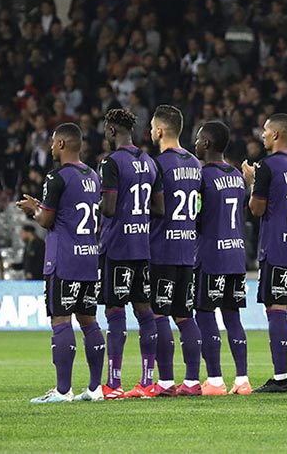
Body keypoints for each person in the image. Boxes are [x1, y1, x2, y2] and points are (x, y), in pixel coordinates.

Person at [16, 122, 106, 403]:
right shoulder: (93, 176)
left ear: (63, 145)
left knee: (61, 321)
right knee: (90, 322)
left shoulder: (56, 177)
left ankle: (63, 391)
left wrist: (34, 210)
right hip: (90, 260)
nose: (51, 147)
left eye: (54, 142)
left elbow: (47, 219)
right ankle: (94, 388)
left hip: (64, 259)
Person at [242, 113, 287, 393]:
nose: (262, 135)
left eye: (265, 131)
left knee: (275, 308)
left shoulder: (268, 166)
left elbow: (257, 209)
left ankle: (281, 377)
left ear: (275, 135)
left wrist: (252, 181)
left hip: (276, 246)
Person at [96, 108, 164, 399]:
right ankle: (148, 381)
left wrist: (88, 199)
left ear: (111, 130)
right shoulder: (150, 162)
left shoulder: (111, 162)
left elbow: (108, 208)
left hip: (117, 247)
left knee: (115, 312)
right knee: (145, 312)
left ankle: (113, 383)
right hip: (142, 247)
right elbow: (159, 209)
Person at [147, 105, 203, 397]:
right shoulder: (195, 163)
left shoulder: (157, 165)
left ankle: (166, 382)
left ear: (159, 130)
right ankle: (193, 382)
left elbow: (151, 208)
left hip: (161, 249)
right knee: (185, 315)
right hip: (187, 249)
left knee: (159, 314)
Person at [193, 121, 251, 396]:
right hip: (235, 253)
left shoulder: (202, 176)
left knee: (205, 315)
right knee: (233, 317)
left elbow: (195, 216)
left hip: (210, 254)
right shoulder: (238, 176)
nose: (194, 143)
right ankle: (242, 379)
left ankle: (214, 379)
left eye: (197, 139)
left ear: (206, 143)